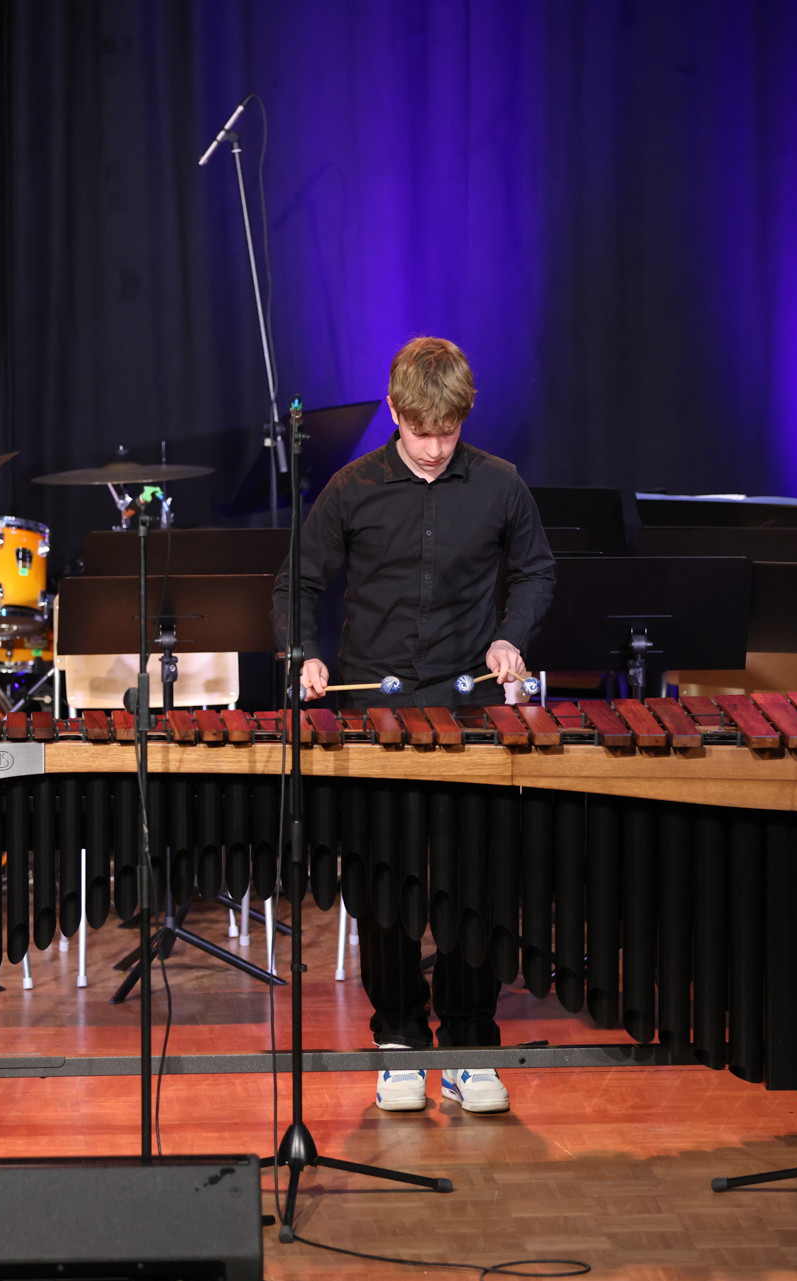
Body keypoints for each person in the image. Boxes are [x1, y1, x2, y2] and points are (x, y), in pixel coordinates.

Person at [272, 336, 555, 1115]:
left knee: (474, 884)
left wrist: (511, 636)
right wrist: (303, 653)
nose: (434, 449)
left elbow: (536, 569)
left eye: (448, 432)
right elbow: (297, 580)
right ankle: (398, 1038)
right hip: (376, 715)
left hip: (470, 714)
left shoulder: (500, 484)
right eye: (421, 431)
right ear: (396, 412)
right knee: (384, 884)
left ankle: (468, 1043)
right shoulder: (352, 488)